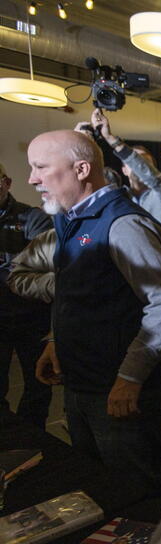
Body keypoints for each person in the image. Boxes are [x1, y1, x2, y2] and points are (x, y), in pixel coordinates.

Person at [30, 130, 161, 495]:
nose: (32, 179)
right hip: (81, 383)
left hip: (117, 392)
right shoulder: (69, 218)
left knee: (134, 498)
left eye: (40, 167)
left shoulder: (124, 223)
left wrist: (130, 377)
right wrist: (56, 340)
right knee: (96, 489)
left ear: (82, 169)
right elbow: (76, 291)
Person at [0, 161, 53, 428]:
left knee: (38, 383)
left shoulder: (33, 218)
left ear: (6, 183)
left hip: (31, 318)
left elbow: (45, 263)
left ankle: (33, 437)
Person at [83, 108, 161, 237]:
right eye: (132, 162)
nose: (137, 165)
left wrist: (110, 138)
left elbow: (152, 177)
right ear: (124, 170)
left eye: (144, 162)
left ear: (153, 169)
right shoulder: (119, 198)